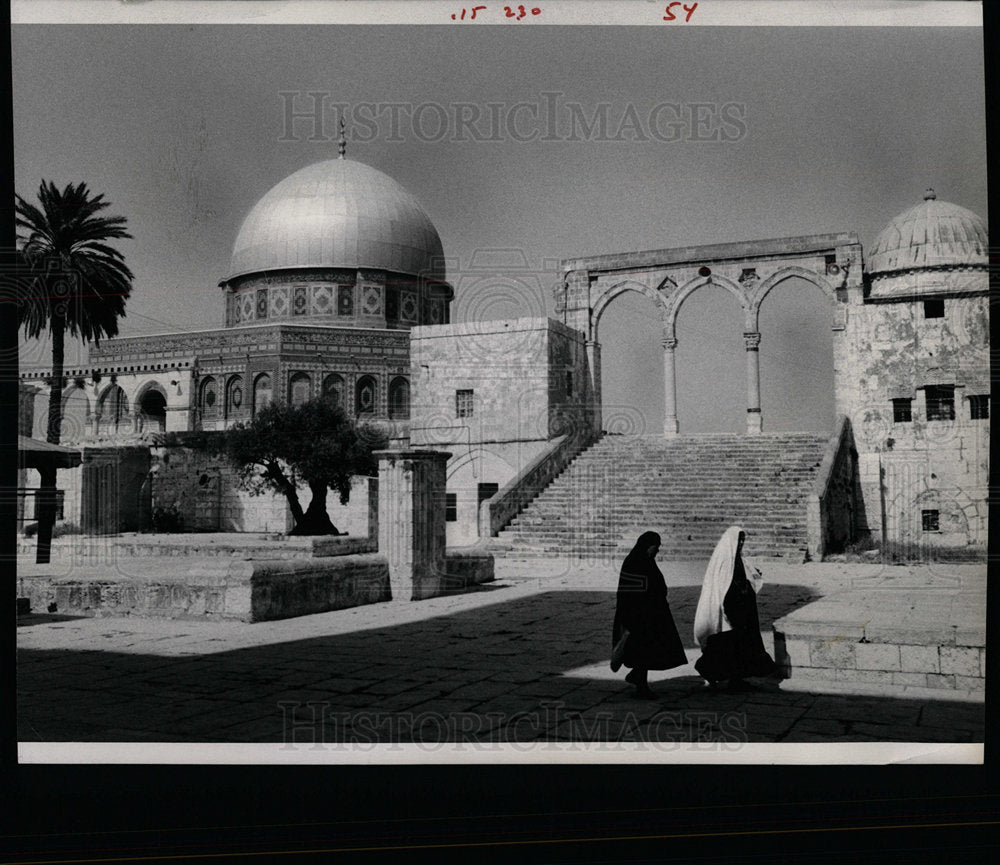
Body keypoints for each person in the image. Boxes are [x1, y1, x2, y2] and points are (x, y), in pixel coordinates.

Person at [693, 526, 776, 689]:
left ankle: (735, 679)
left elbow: (744, 579)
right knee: (727, 645)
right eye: (740, 540)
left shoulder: (738, 559)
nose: (742, 543)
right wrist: (727, 610)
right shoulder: (725, 560)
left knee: (739, 645)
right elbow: (723, 586)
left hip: (742, 609)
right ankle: (713, 673)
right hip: (730, 610)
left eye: (743, 540)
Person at [611, 531, 688, 699]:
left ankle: (639, 677)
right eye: (656, 547)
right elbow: (629, 594)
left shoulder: (644, 561)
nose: (657, 551)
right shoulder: (635, 563)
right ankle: (641, 686)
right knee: (643, 649)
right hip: (638, 616)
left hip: (650, 615)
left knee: (647, 650)